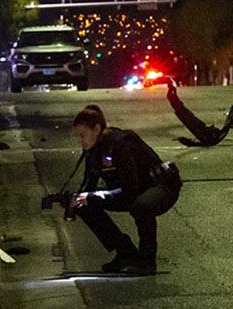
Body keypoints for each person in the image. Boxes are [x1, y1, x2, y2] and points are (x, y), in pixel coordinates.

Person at [68, 104, 181, 275]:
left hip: (161, 186)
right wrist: (76, 199)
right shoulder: (94, 150)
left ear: (97, 129)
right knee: (83, 204)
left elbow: (130, 190)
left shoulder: (120, 144)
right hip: (134, 190)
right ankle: (125, 253)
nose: (82, 141)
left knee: (141, 206)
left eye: (83, 135)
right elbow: (89, 184)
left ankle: (147, 261)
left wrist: (95, 196)